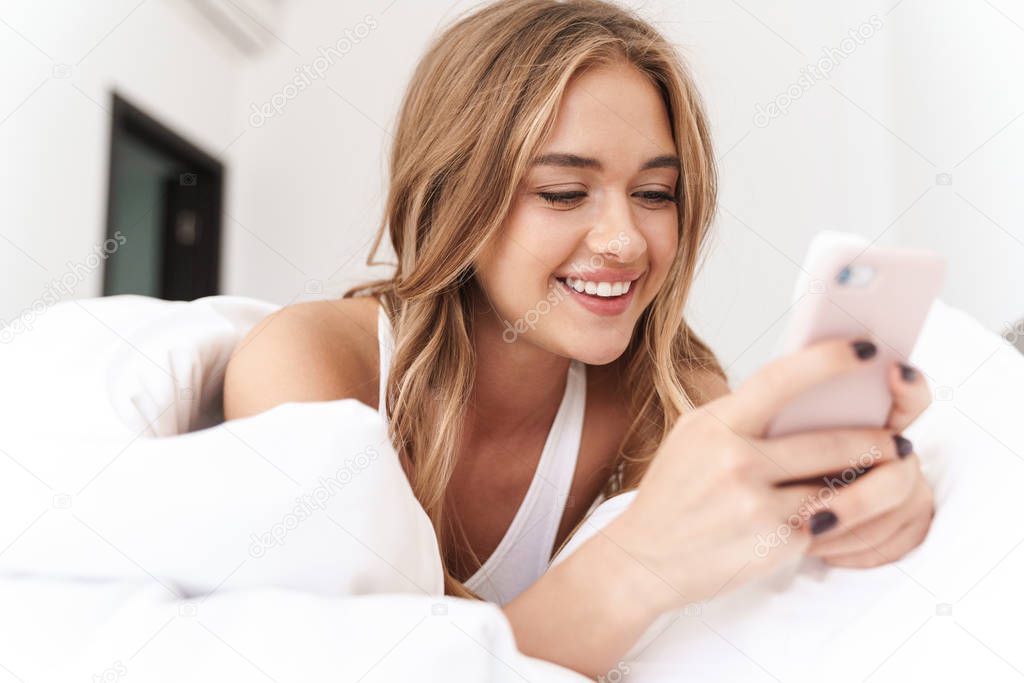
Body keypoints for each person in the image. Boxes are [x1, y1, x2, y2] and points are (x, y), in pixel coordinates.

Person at [223, 0, 934, 675]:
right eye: (563, 193)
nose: (624, 240)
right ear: (453, 196)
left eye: (656, 194)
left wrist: (851, 510)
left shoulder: (667, 390)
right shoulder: (309, 366)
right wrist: (640, 560)